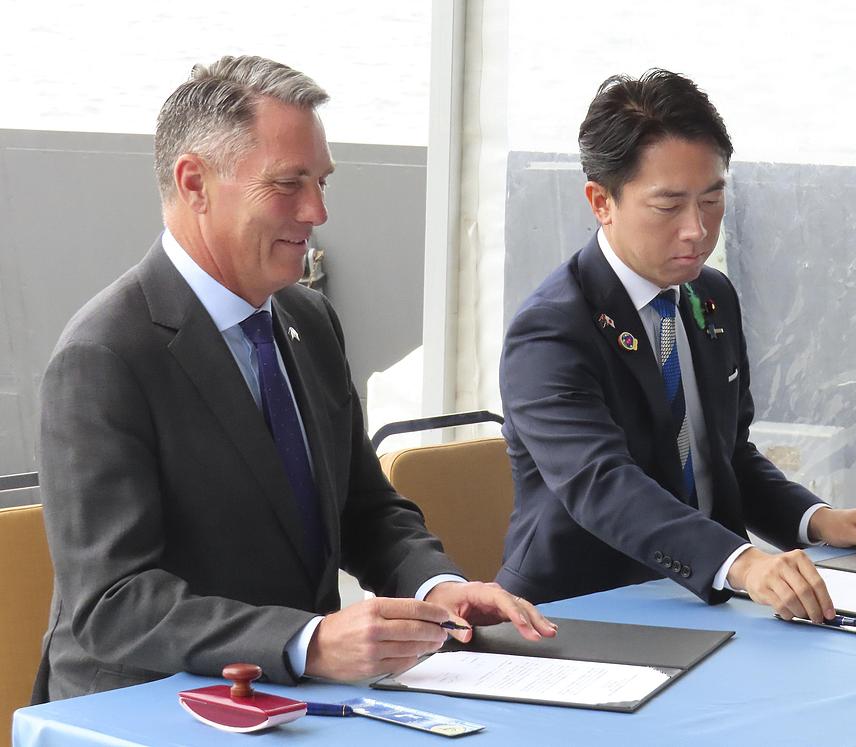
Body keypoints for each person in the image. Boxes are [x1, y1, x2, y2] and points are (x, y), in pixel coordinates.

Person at [33, 55, 554, 703]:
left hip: (294, 695)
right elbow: (113, 601)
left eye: (322, 182)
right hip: (149, 703)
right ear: (194, 182)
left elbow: (366, 509)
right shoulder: (105, 354)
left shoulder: (309, 320)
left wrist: (435, 589)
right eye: (288, 184)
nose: (317, 211)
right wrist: (307, 641)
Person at [496, 69, 856, 621]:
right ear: (601, 202)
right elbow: (602, 485)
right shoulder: (551, 330)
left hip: (708, 600)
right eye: (668, 205)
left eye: (712, 199)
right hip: (586, 611)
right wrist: (744, 563)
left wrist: (817, 520)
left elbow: (724, 455)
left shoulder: (709, 295)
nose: (697, 230)